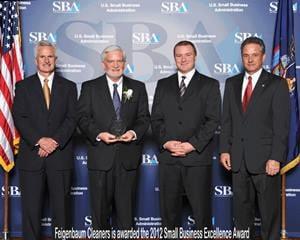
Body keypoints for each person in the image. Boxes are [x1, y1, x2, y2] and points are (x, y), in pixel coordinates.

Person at [220, 37, 290, 239]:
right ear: (242, 57)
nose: (250, 60)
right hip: (238, 160)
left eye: (255, 55)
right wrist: (225, 149)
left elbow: (281, 125)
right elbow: (227, 121)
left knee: (269, 215)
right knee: (241, 216)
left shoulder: (277, 84)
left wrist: (276, 157)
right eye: (246, 55)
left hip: (266, 160)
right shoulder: (232, 83)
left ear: (263, 56)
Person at [77, 45, 150, 230]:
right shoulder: (89, 87)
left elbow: (144, 118)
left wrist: (133, 133)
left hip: (128, 159)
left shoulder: (138, 87)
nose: (115, 65)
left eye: (119, 61)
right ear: (103, 64)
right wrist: (98, 134)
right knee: (100, 215)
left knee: (126, 216)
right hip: (101, 158)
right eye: (111, 61)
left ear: (125, 64)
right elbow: (82, 118)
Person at [151, 40, 221, 231]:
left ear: (195, 56)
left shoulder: (210, 84)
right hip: (169, 159)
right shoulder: (163, 85)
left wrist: (191, 145)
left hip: (197, 158)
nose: (183, 59)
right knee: (169, 213)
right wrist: (166, 142)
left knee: (201, 213)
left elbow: (213, 120)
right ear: (174, 58)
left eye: (188, 54)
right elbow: (155, 119)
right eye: (179, 55)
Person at [12, 40, 77, 240]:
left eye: (50, 56)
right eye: (42, 56)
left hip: (60, 157)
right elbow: (19, 117)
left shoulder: (69, 87)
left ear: (55, 60)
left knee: (62, 211)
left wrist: (53, 142)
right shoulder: (22, 86)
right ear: (36, 60)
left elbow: (72, 118)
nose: (46, 60)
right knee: (31, 211)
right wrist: (40, 140)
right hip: (32, 157)